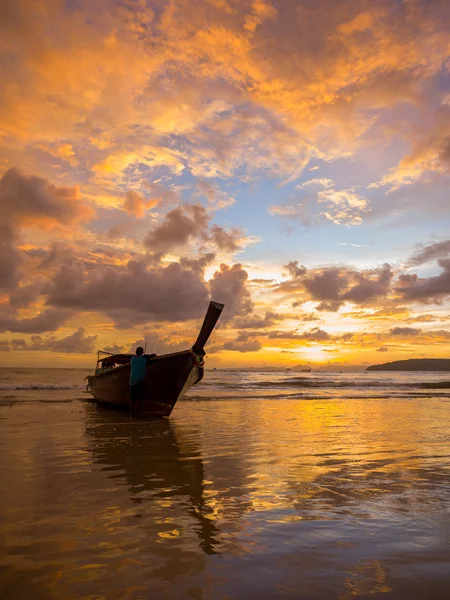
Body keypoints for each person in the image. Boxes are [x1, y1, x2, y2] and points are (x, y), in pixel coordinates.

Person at [129, 346, 147, 417]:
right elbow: (151, 356)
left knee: (131, 399)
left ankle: (131, 416)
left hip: (132, 381)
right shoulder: (144, 359)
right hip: (139, 381)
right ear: (142, 353)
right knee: (137, 399)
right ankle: (136, 416)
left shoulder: (132, 359)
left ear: (136, 352)